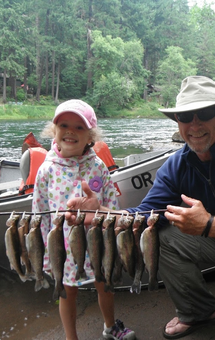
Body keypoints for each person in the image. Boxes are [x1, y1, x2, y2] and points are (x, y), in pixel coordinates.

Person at [65, 76, 215, 340]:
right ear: (178, 123)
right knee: (159, 235)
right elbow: (146, 215)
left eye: (204, 113)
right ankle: (199, 311)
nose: (194, 124)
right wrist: (102, 214)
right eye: (185, 117)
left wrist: (209, 224)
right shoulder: (176, 166)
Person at [32, 99, 136, 340]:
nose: (70, 131)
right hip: (64, 248)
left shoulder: (99, 166)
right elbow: (40, 213)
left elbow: (111, 203)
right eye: (64, 125)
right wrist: (46, 253)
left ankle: (111, 327)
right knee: (67, 292)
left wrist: (117, 236)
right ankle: (71, 337)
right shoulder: (45, 171)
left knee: (105, 284)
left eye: (79, 127)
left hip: (99, 242)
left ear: (91, 136)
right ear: (53, 131)